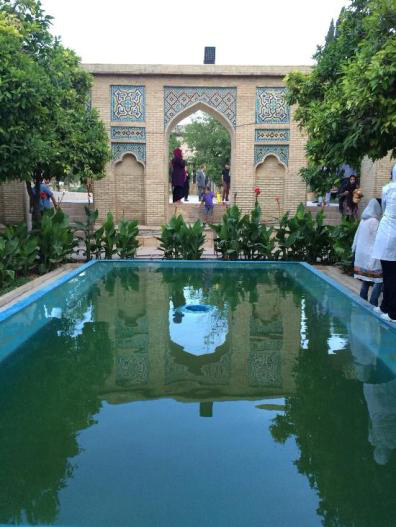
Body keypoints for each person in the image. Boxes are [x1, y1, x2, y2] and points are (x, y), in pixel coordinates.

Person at [372, 164, 396, 322]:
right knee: (390, 273)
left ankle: (392, 311)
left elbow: (385, 207)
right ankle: (386, 306)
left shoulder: (388, 188)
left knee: (389, 274)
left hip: (388, 231)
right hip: (391, 231)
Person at [352, 199, 383, 306]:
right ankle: (373, 302)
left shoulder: (363, 220)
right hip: (371, 255)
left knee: (366, 279)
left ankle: (362, 301)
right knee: (379, 280)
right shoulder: (375, 222)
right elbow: (379, 239)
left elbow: (357, 237)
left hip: (362, 255)